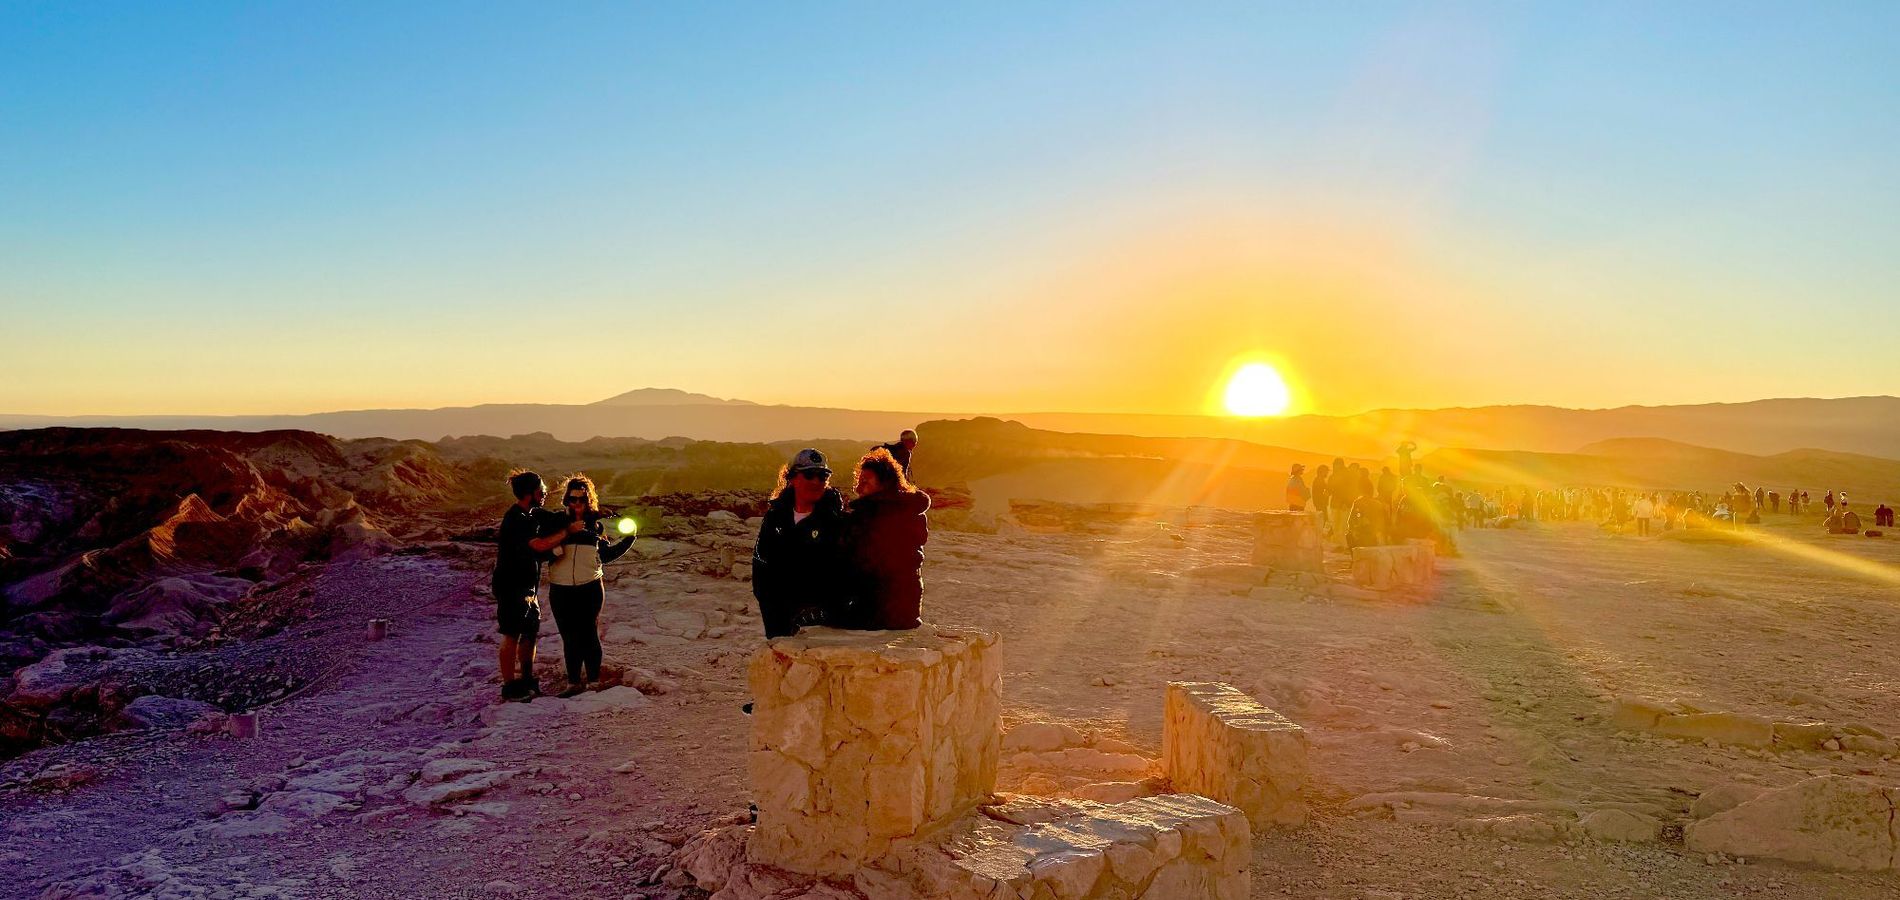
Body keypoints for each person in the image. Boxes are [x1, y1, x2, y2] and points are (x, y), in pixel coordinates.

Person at [546, 475, 636, 697]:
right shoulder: (557, 523)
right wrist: (565, 536)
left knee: (589, 634)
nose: (577, 504)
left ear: (589, 501)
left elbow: (604, 556)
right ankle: (573, 683)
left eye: (582, 500)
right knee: (569, 636)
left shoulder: (596, 526)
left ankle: (594, 681)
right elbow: (542, 550)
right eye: (572, 499)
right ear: (566, 500)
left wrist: (628, 539)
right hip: (561, 587)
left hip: (590, 586)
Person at [491, 470, 575, 702]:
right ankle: (510, 687)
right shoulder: (516, 518)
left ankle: (527, 680)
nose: (545, 493)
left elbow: (554, 518)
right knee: (511, 633)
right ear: (530, 493)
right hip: (511, 586)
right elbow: (538, 545)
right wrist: (567, 533)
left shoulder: (531, 514)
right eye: (541, 490)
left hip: (528, 586)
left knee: (529, 633)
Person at [751, 449, 850, 638]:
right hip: (776, 616)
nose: (816, 482)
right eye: (809, 475)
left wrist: (823, 613)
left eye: (822, 476)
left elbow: (844, 574)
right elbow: (760, 563)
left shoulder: (835, 522)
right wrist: (768, 604)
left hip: (815, 626)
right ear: (793, 479)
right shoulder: (775, 516)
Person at [840, 448, 930, 630]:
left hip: (880, 611)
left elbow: (864, 564)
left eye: (866, 480)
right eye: (859, 479)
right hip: (907, 611)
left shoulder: (872, 516)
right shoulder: (909, 511)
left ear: (884, 483)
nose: (859, 486)